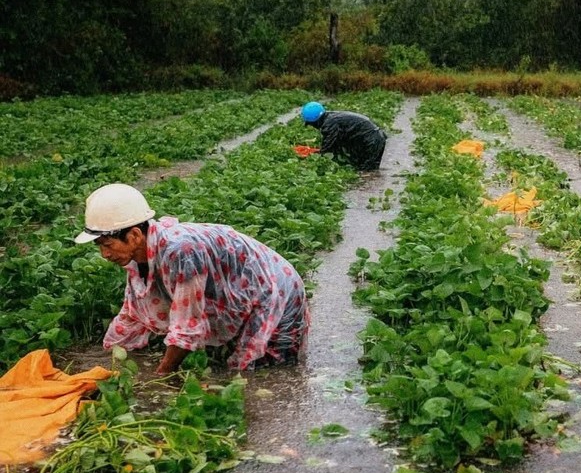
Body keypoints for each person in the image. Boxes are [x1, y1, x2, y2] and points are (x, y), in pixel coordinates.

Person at [74, 184, 309, 375]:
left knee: (264, 373)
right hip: (245, 291)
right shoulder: (138, 258)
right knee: (233, 365)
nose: (104, 254)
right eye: (100, 247)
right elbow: (132, 314)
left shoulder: (181, 252)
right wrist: (107, 363)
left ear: (134, 235)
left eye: (107, 245)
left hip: (276, 291)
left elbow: (188, 325)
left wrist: (163, 374)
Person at [301, 101, 387, 171]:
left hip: (371, 141)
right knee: (370, 170)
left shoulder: (329, 123)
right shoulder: (331, 117)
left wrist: (314, 155)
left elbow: (328, 146)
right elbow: (337, 144)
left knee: (366, 172)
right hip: (375, 138)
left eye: (311, 124)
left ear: (315, 121)